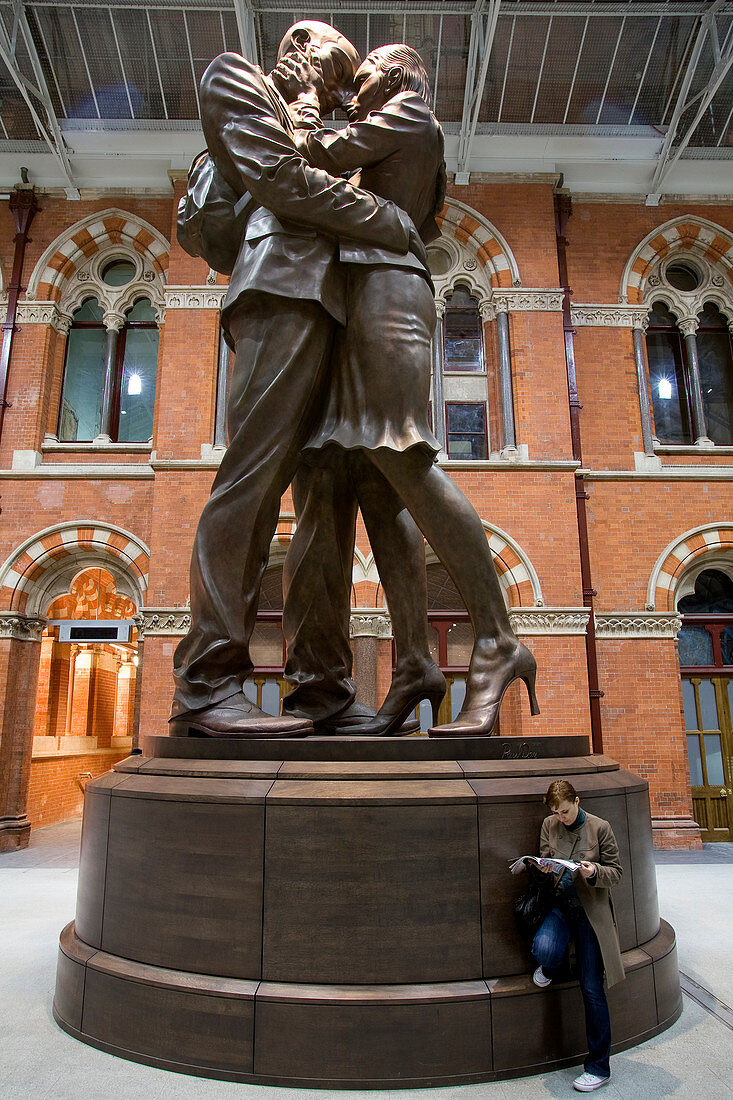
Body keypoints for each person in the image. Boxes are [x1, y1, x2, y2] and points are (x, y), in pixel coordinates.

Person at [170, 22, 428, 737]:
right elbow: (281, 183)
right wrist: (387, 220)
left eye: (348, 84)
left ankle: (322, 689)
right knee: (251, 478)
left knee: (329, 502)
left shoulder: (334, 135)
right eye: (332, 73)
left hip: (342, 306)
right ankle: (205, 685)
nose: (339, 93)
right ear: (297, 54)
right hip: (279, 290)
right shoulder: (236, 79)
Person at [277, 44, 537, 735]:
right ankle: (416, 661)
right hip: (364, 292)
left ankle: (497, 639)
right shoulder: (397, 128)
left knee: (400, 452)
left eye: (361, 78)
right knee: (371, 481)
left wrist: (304, 100)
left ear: (391, 76)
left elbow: (307, 155)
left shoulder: (405, 110)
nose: (352, 87)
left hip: (388, 293)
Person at [530, 780, 625, 1092]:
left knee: (592, 989)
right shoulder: (549, 824)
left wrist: (593, 871)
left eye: (566, 811)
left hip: (589, 914)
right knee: (544, 950)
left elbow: (616, 872)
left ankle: (598, 1067)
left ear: (577, 802)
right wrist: (543, 866)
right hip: (560, 906)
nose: (562, 818)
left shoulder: (600, 828)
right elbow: (546, 854)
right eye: (556, 813)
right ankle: (553, 967)